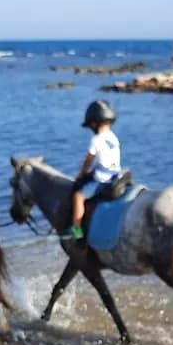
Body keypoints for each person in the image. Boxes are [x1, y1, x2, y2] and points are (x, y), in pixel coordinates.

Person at [61, 100, 121, 241]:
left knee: (79, 196)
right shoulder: (113, 137)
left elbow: (88, 160)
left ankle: (77, 228)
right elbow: (106, 160)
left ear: (95, 123)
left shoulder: (97, 139)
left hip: (103, 177)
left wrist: (81, 173)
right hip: (114, 172)